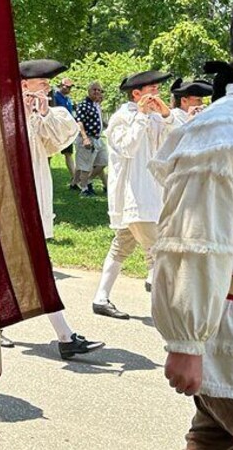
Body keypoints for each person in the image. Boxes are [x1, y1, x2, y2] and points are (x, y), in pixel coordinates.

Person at [150, 0, 233, 449]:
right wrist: (186, 342)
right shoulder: (225, 130)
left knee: (212, 442)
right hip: (232, 329)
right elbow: (191, 239)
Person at [20, 60, 105, 359]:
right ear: (23, 85)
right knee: (30, 265)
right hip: (13, 197)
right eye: (41, 84)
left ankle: (63, 335)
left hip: (34, 190)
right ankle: (65, 336)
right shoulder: (4, 110)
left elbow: (54, 144)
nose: (47, 89)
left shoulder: (40, 112)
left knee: (26, 264)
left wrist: (41, 112)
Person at [92, 70, 184, 319]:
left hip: (155, 193)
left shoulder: (157, 116)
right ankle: (165, 309)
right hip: (135, 194)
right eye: (153, 90)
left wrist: (165, 114)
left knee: (122, 246)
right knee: (158, 250)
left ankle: (100, 298)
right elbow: (127, 148)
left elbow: (178, 137)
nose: (157, 94)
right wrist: (142, 116)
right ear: (136, 94)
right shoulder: (122, 117)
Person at [74, 81, 108, 197]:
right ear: (89, 91)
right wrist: (85, 138)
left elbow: (99, 121)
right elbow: (79, 122)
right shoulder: (83, 104)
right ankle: (84, 190)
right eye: (94, 89)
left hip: (98, 138)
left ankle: (88, 180)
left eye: (99, 90)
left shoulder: (96, 105)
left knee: (104, 161)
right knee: (85, 166)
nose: (97, 92)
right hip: (87, 138)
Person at [53, 77, 78, 188]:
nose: (68, 89)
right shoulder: (54, 97)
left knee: (68, 154)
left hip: (66, 130)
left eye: (70, 87)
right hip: (56, 129)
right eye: (66, 86)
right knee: (49, 154)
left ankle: (74, 178)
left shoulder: (68, 100)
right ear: (60, 85)